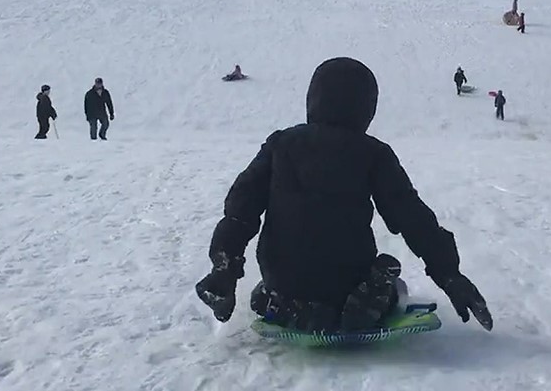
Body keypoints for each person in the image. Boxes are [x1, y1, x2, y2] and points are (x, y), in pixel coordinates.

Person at [195, 58, 492, 333]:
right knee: (394, 285)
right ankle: (367, 295)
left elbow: (241, 209)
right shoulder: (373, 154)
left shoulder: (280, 144)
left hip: (283, 277)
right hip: (347, 276)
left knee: (265, 293)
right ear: (366, 107)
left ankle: (288, 304)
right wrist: (449, 274)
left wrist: (225, 268)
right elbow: (411, 215)